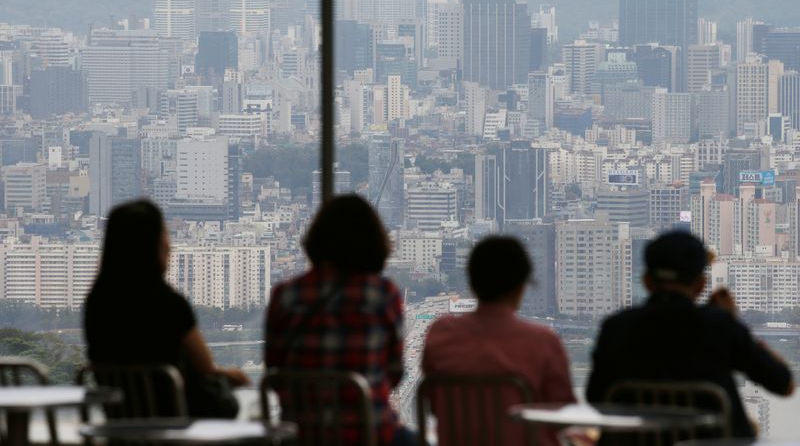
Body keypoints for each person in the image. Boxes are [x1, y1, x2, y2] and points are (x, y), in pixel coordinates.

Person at [586, 230, 794, 438]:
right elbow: (784, 384)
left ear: (647, 281)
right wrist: (734, 323)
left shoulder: (616, 327)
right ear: (701, 285)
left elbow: (595, 397)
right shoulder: (720, 327)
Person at [264, 195, 414, 446]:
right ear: (374, 243)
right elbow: (394, 373)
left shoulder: (286, 295)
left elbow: (275, 370)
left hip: (301, 437)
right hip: (369, 435)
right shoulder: (382, 294)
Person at [84, 200, 249, 417]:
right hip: (175, 413)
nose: (170, 245)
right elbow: (205, 367)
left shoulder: (96, 304)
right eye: (165, 235)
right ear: (154, 244)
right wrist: (235, 376)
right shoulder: (169, 303)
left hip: (121, 417)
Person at [422, 236, 576, 446]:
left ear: (473, 283)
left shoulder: (441, 335)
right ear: (521, 287)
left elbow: (434, 405)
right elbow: (564, 414)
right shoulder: (543, 342)